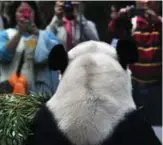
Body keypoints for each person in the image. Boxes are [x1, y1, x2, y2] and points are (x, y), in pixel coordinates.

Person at [108, 0, 162, 126]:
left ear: (159, 3)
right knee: (133, 128)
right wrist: (118, 19)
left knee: (157, 127)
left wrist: (157, 21)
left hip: (157, 88)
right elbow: (112, 31)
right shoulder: (131, 23)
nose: (147, 2)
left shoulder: (160, 23)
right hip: (134, 87)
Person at [0, 1, 60, 96]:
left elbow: (57, 57)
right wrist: (20, 32)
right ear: (14, 14)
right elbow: (3, 56)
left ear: (35, 14)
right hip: (10, 94)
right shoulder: (5, 34)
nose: (25, 15)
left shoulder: (46, 35)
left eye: (29, 11)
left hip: (39, 95)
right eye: (21, 11)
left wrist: (38, 35)